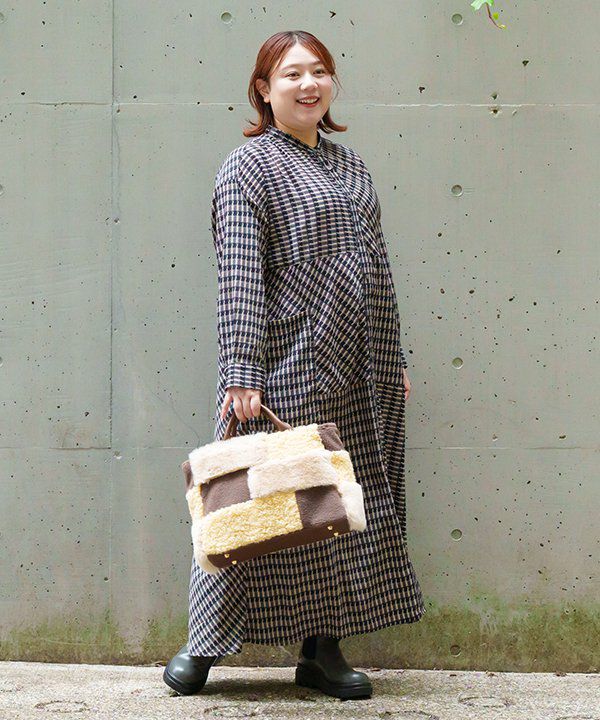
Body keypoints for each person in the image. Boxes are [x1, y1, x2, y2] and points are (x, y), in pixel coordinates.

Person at [163, 30, 426, 700]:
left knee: (336, 506)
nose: (309, 85)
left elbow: (379, 271)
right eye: (291, 75)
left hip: (360, 365)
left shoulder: (351, 165)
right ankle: (203, 644)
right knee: (251, 503)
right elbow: (239, 275)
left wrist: (392, 357)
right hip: (287, 361)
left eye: (319, 72)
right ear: (264, 89)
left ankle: (322, 650)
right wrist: (241, 371)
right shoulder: (247, 168)